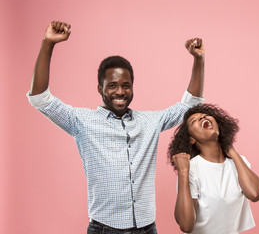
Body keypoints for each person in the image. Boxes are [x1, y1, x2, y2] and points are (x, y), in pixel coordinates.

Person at [27, 20, 205, 234]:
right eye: (112, 86)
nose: (120, 91)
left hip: (147, 229)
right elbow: (40, 98)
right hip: (105, 229)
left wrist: (199, 59)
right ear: (99, 88)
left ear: (132, 87)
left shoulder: (150, 122)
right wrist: (48, 43)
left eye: (125, 85)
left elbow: (190, 103)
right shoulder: (82, 121)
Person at [168, 104, 259, 234]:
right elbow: (186, 225)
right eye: (194, 121)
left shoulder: (239, 163)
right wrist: (183, 173)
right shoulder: (191, 169)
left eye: (205, 115)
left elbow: (255, 194)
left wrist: (232, 152)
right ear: (192, 139)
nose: (202, 117)